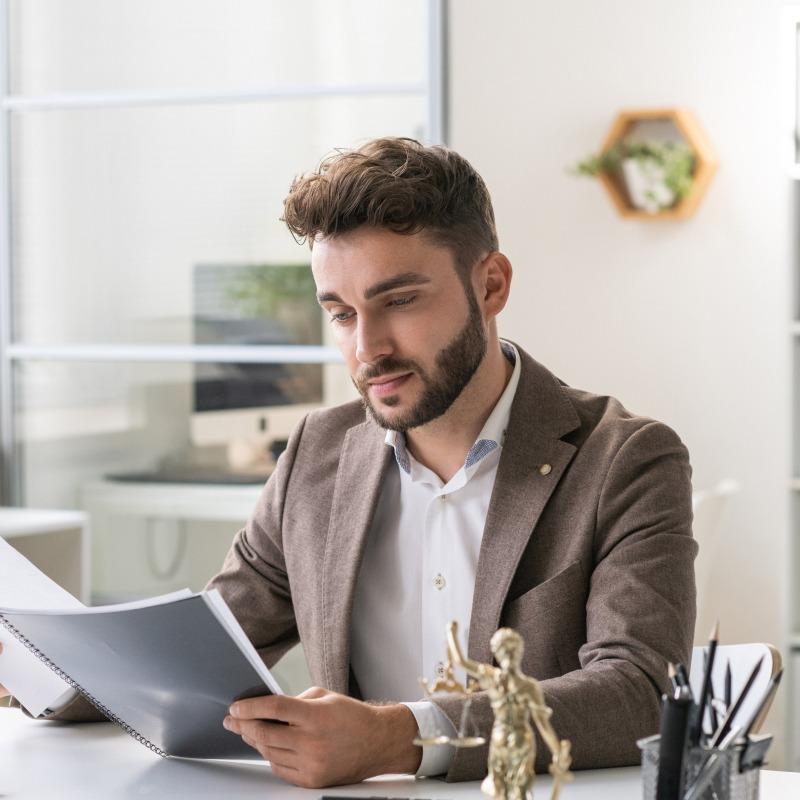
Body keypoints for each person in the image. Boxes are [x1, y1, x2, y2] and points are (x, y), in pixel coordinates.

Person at [0, 138, 697, 789]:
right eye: (340, 313)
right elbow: (207, 657)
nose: (368, 348)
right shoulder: (317, 454)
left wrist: (403, 737)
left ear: (491, 285)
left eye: (398, 301)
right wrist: (49, 673)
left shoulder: (625, 459)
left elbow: (638, 690)